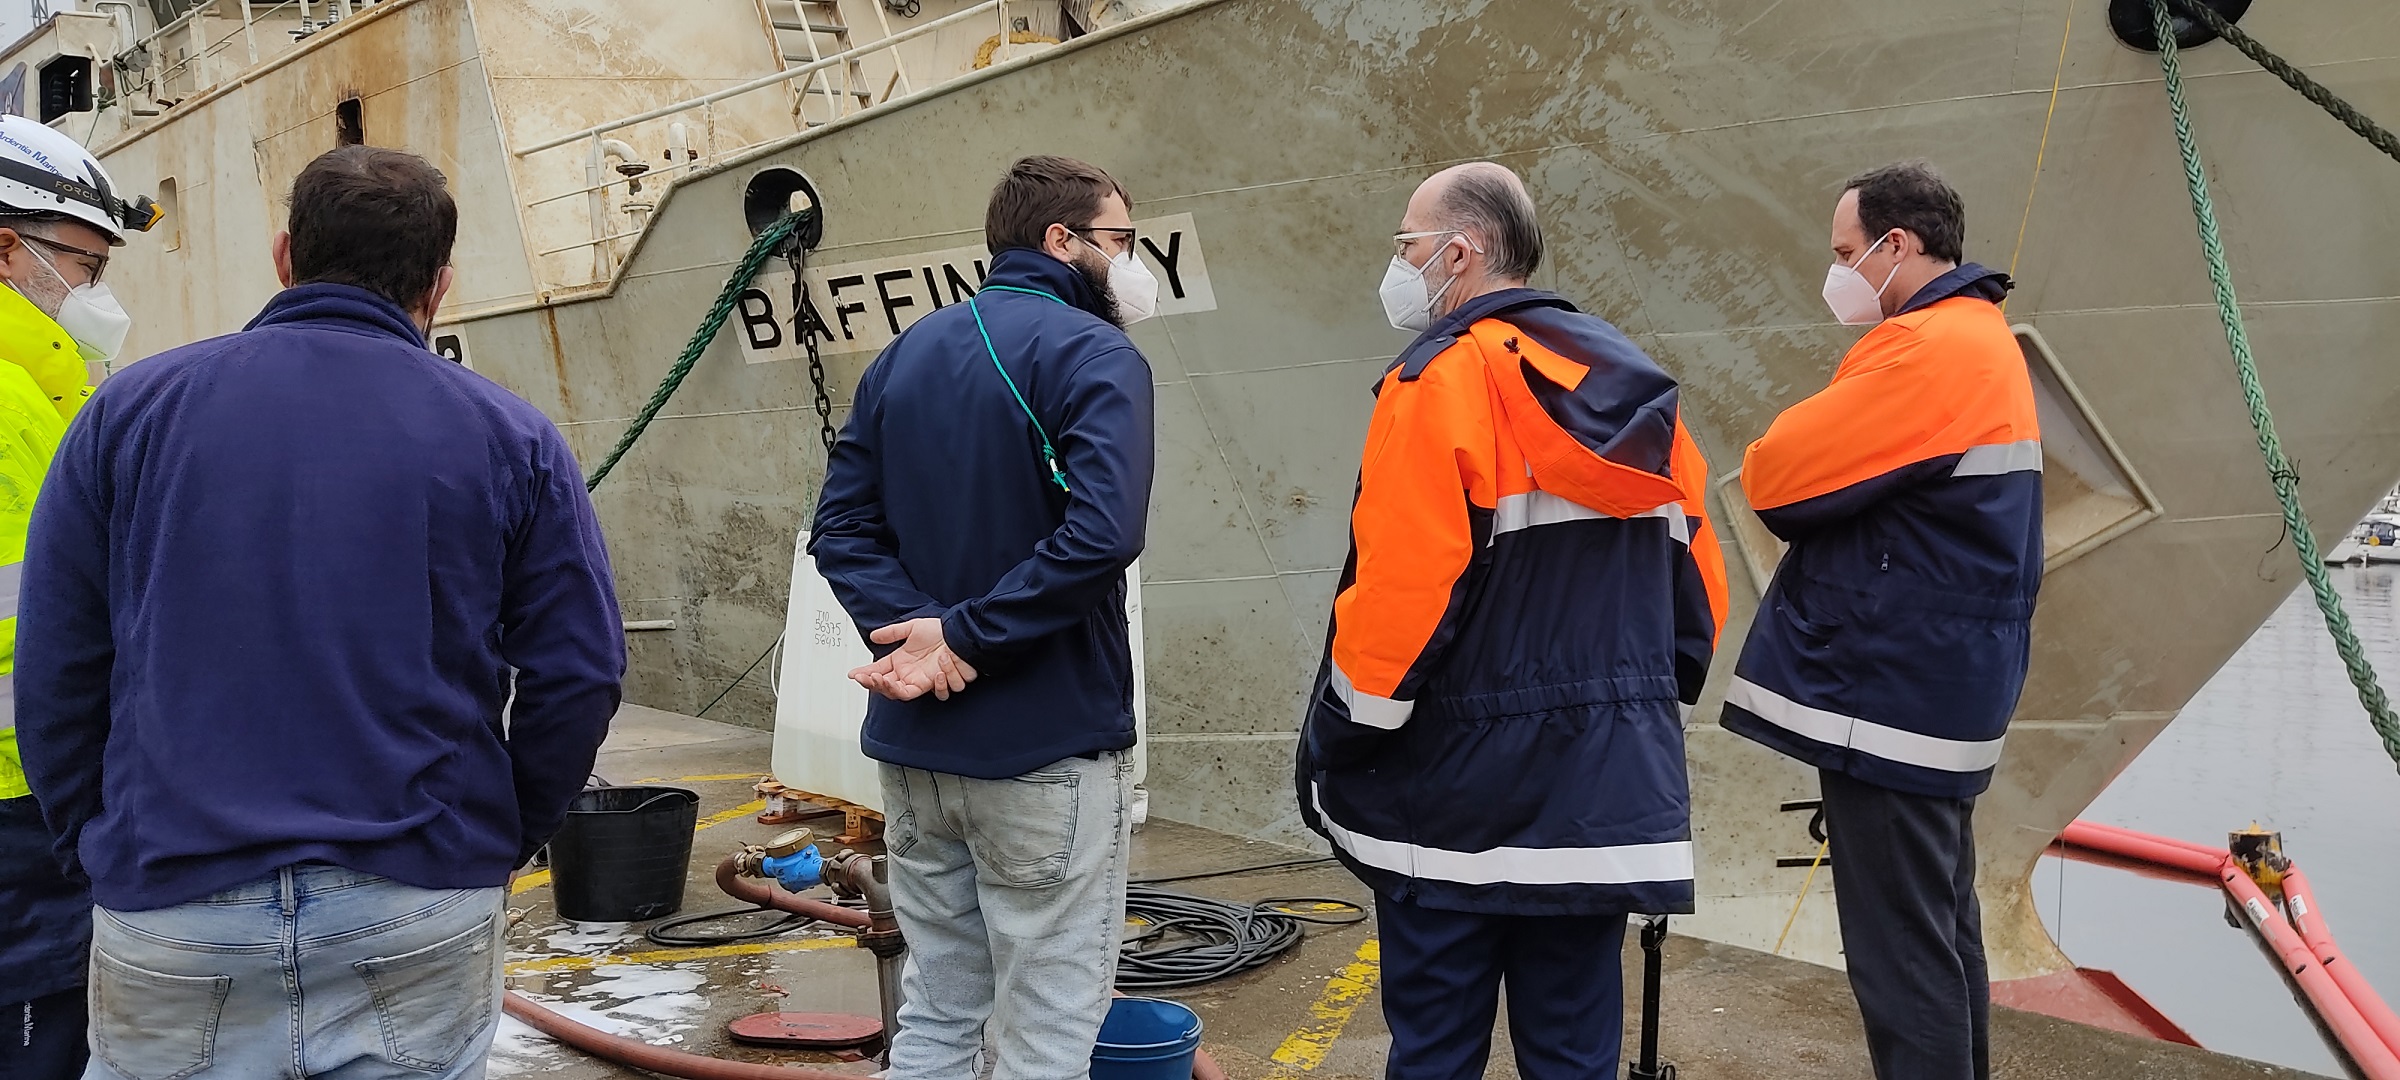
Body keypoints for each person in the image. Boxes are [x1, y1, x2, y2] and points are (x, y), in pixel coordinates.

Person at [15, 145, 624, 1080]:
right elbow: (579, 670)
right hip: (418, 888)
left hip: (175, 895)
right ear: (441, 282)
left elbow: (60, 666)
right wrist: (500, 837)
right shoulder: (510, 434)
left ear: (284, 255)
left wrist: (102, 842)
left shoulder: (131, 413)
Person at [1294, 161, 1728, 1080]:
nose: (1398, 264)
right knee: (1575, 1053)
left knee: (1438, 1048)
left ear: (1460, 252)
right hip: (1597, 796)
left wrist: (1341, 735)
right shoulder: (1640, 392)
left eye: (1406, 245)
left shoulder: (1438, 384)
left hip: (1451, 801)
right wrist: (1629, 719)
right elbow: (1699, 596)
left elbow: (1400, 597)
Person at [810, 154, 1158, 1079]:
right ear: (1062, 241)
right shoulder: (1096, 353)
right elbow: (1102, 534)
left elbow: (839, 526)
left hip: (918, 754)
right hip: (1045, 745)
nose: (1130, 262)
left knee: (936, 1009)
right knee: (1048, 1029)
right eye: (1120, 241)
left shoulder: (904, 353)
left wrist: (918, 638)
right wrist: (958, 638)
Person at [1719, 160, 2043, 1080]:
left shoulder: (1926, 347)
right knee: (1942, 932)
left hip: (1893, 694)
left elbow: (1775, 476)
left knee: (1899, 953)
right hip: (1947, 687)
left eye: (1847, 252)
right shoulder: (1985, 340)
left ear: (1898, 245)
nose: (1839, 274)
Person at [0, 115, 154, 1080]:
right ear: (7, 246)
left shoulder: (38, 386)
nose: (95, 294)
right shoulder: (10, 399)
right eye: (83, 265)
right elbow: (53, 623)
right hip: (21, 803)